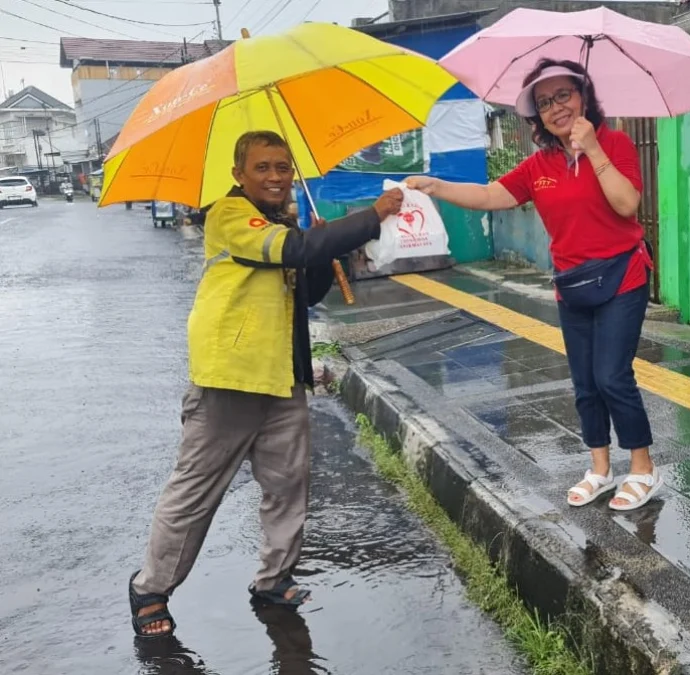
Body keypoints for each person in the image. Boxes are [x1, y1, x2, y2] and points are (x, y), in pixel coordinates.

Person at [129, 130, 403, 638]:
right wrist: (369, 217)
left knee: (287, 486)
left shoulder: (288, 223)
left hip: (282, 376)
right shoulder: (231, 217)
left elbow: (310, 289)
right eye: (262, 168)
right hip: (230, 375)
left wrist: (323, 251)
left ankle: (273, 580)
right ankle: (150, 589)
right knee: (196, 491)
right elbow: (290, 250)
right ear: (239, 175)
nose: (275, 177)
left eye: (282, 167)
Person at [405, 58, 659, 512]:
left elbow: (627, 205)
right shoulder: (537, 165)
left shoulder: (616, 143)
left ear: (583, 97)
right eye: (544, 102)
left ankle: (642, 468)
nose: (555, 107)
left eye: (563, 95)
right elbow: (488, 197)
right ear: (536, 116)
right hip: (572, 283)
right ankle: (599, 469)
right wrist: (436, 186)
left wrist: (594, 150)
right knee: (584, 382)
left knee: (612, 376)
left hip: (623, 275)